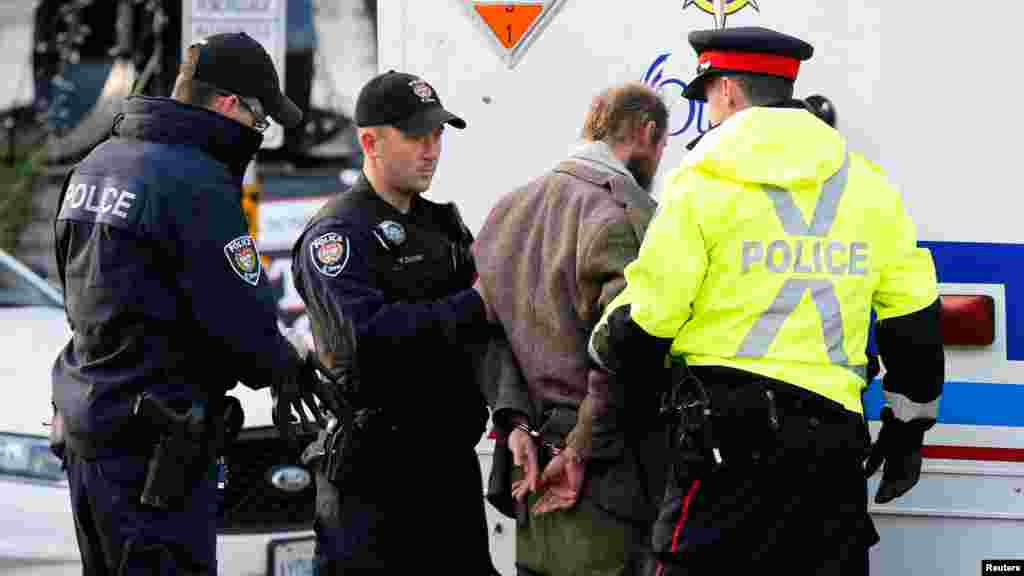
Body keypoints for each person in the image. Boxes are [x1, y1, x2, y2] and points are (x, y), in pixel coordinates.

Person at [589, 27, 944, 575]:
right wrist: (907, 431)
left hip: (724, 446)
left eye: (707, 96)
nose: (709, 113)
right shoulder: (869, 185)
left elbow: (654, 316)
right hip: (831, 448)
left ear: (727, 90)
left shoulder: (699, 182)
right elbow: (913, 318)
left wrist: (607, 340)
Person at [50, 32, 324, 575]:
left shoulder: (97, 164)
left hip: (91, 441)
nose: (258, 134)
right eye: (259, 120)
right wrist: (288, 365)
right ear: (228, 106)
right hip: (154, 459)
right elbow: (242, 323)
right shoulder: (195, 183)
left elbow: (79, 295)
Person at [290, 70, 497, 574]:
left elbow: (491, 329)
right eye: (415, 136)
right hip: (375, 481)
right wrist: (472, 306)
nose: (431, 150)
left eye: (437, 135)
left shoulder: (442, 225)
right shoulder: (338, 234)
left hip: (447, 468)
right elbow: (367, 338)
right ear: (370, 142)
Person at [472, 82, 670, 576]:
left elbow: (485, 331)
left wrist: (513, 418)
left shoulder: (508, 209)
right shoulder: (621, 212)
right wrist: (581, 446)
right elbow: (626, 348)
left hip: (531, 464)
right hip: (603, 471)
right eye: (662, 147)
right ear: (647, 132)